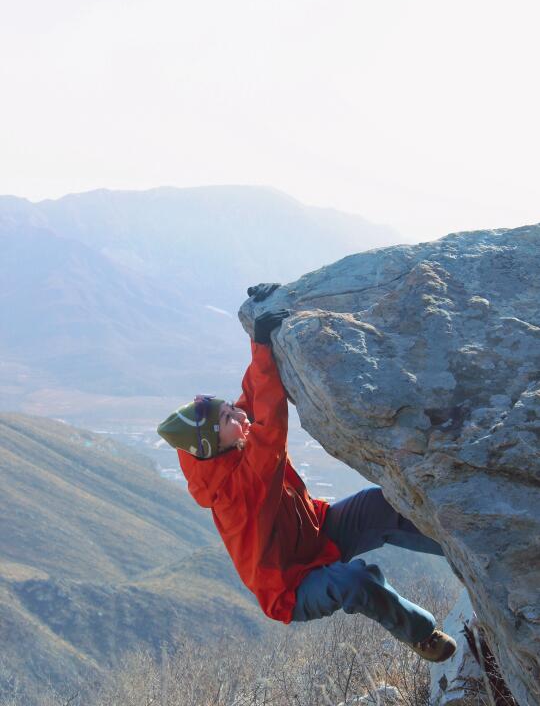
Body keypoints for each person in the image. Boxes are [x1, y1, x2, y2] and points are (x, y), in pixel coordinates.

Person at [157, 283, 456, 663]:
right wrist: (262, 344)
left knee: (383, 504)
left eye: (229, 409)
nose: (238, 414)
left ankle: (464, 555)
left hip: (317, 530)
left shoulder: (230, 442)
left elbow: (252, 396)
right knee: (357, 581)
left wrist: (260, 328)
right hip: (292, 587)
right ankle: (421, 634)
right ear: (212, 444)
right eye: (228, 418)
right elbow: (270, 426)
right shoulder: (233, 490)